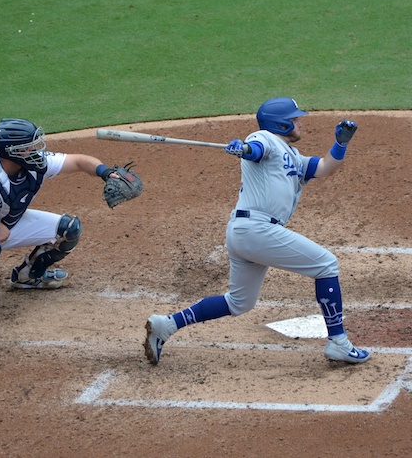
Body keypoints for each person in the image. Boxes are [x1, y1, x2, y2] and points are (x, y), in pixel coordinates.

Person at [144, 97, 370, 365]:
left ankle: (166, 325)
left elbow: (323, 168)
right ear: (281, 124)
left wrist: (341, 143)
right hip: (256, 228)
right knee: (326, 264)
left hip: (246, 232)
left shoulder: (294, 156)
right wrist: (244, 148)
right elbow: (255, 149)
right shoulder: (264, 138)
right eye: (294, 119)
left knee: (239, 303)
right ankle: (339, 343)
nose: (300, 122)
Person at [0, 118, 125, 322]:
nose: (36, 149)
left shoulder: (37, 164)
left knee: (69, 229)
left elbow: (79, 161)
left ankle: (29, 276)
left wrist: (106, 173)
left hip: (7, 223)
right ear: (11, 152)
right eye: (28, 146)